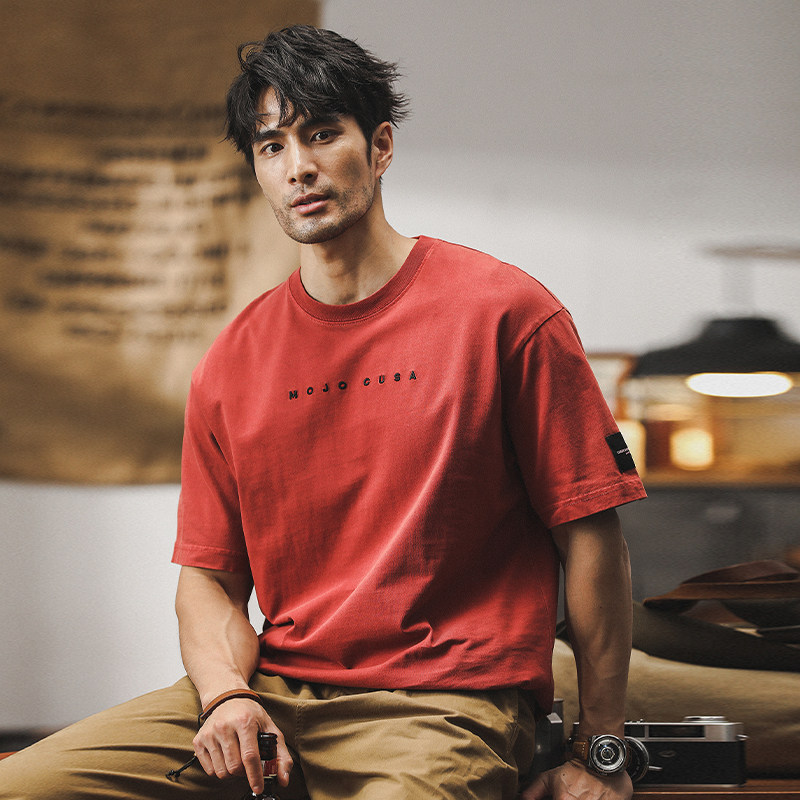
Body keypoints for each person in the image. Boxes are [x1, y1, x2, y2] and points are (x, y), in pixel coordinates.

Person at [0, 25, 645, 800]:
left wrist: (600, 749)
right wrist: (225, 697)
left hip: (441, 706)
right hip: (273, 694)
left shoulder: (506, 314)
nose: (298, 166)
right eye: (271, 147)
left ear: (381, 147)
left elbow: (591, 538)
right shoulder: (231, 362)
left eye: (322, 134)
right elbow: (208, 582)